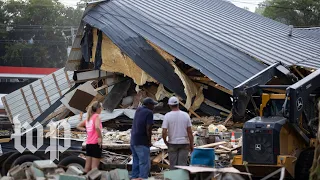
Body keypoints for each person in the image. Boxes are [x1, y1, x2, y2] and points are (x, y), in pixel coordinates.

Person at [162, 96, 194, 170]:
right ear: (178, 104)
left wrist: (165, 141)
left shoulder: (167, 116)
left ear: (169, 105)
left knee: (173, 166)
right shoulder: (186, 115)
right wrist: (191, 144)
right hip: (184, 143)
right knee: (182, 166)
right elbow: (190, 132)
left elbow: (164, 131)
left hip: (172, 143)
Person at [130, 97, 158, 179]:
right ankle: (143, 178)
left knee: (136, 161)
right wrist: (149, 141)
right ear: (148, 105)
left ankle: (134, 177)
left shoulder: (138, 110)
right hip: (142, 141)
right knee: (144, 162)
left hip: (133, 140)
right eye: (153, 105)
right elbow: (148, 128)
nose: (154, 107)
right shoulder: (149, 112)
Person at [77, 101, 103, 173]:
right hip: (95, 143)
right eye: (101, 108)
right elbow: (97, 127)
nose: (102, 109)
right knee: (94, 168)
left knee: (87, 167)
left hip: (89, 144)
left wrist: (86, 130)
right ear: (98, 108)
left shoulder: (89, 118)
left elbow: (78, 126)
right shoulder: (96, 116)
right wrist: (100, 137)